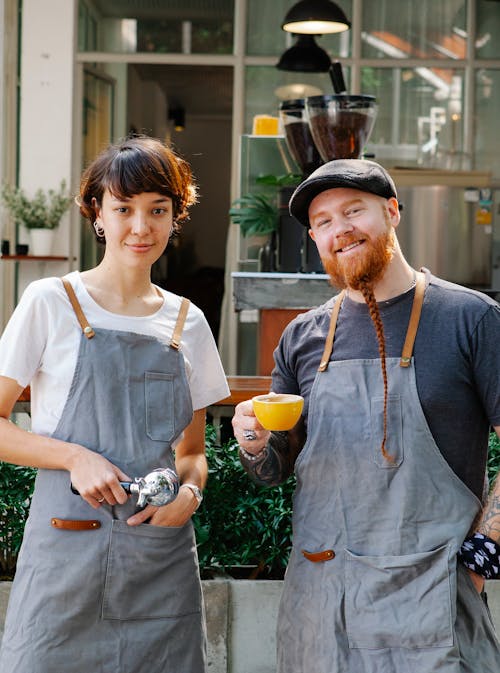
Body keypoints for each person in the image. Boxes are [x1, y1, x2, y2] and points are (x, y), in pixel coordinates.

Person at [232, 158, 500, 673]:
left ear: (393, 212)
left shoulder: (470, 320)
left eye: (354, 211)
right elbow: (274, 470)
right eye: (324, 222)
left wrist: (482, 558)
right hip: (320, 608)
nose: (341, 230)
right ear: (315, 238)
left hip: (432, 605)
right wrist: (253, 443)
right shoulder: (302, 337)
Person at [0, 135, 229, 673]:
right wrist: (75, 458)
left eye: (157, 210)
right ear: (96, 213)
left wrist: (190, 494)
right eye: (123, 208)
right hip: (65, 554)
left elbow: (192, 452)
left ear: (176, 218)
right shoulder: (51, 301)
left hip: (158, 561)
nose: (140, 227)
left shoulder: (187, 322)